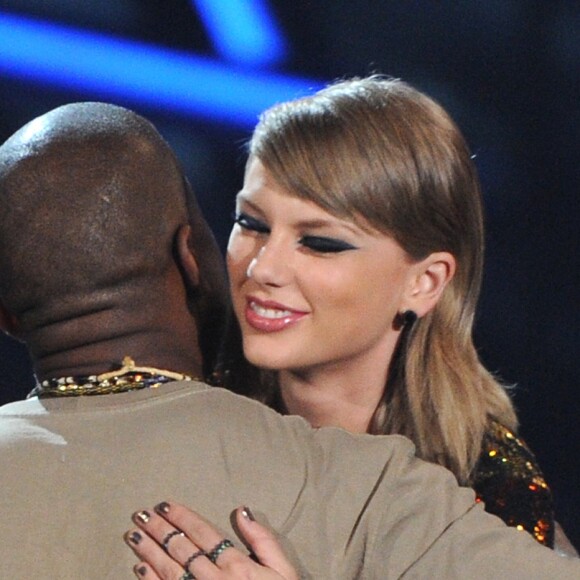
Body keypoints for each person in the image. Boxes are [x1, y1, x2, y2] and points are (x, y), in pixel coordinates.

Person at [0, 102, 578, 580]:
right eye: (250, 224)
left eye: (320, 243)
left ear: (423, 283)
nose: (263, 268)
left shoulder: (490, 489)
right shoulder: (168, 401)